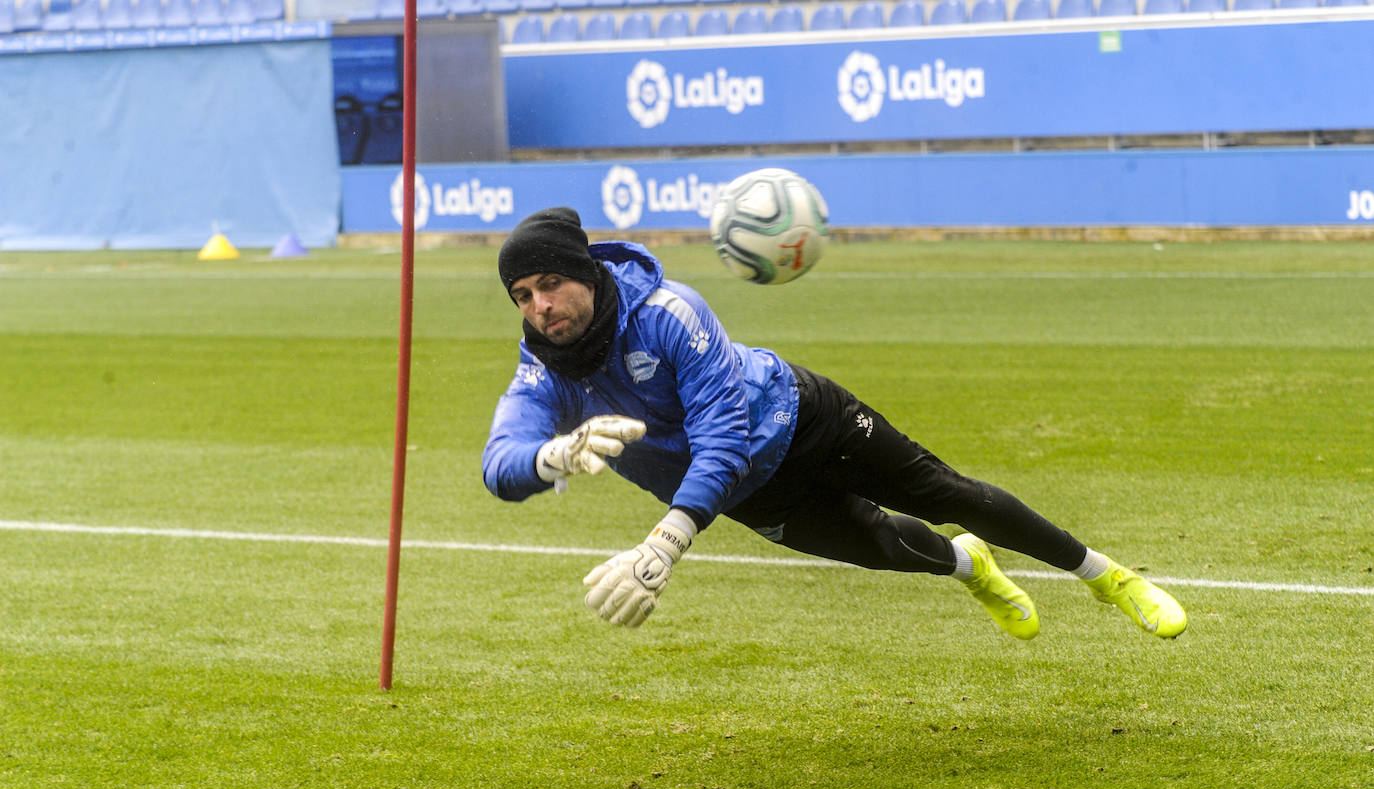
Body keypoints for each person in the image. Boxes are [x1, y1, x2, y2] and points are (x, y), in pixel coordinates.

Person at [481, 206, 1187, 639]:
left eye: (550, 284)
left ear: (587, 275)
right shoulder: (545, 373)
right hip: (751, 495)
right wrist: (552, 457)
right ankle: (972, 566)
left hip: (803, 417)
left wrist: (665, 542)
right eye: (523, 295)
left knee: (947, 494)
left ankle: (1108, 577)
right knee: (882, 545)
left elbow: (723, 436)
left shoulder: (670, 312)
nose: (540, 306)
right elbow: (498, 464)